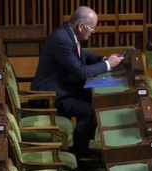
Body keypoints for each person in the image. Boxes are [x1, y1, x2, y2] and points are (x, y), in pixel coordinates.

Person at [31, 6, 124, 160]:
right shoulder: (61, 39)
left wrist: (104, 59)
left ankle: (83, 148)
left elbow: (83, 55)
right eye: (92, 28)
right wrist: (108, 65)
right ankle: (79, 153)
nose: (93, 32)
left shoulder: (69, 34)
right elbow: (81, 72)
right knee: (89, 110)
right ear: (81, 26)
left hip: (64, 86)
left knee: (94, 100)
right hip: (52, 95)